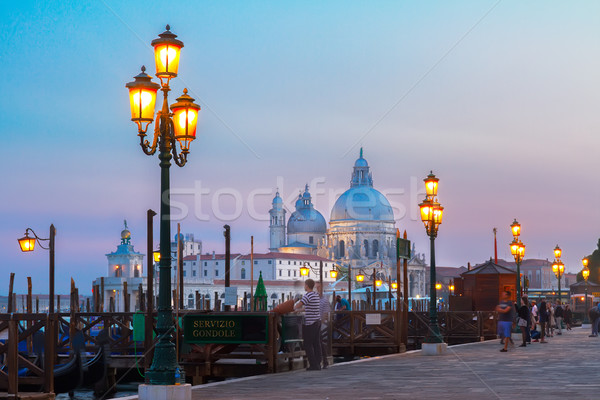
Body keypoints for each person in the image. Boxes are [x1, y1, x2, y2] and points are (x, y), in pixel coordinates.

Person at [295, 279, 322, 370]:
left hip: (310, 323)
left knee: (307, 344)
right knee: (316, 343)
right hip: (317, 321)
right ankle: (318, 363)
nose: (304, 286)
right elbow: (309, 307)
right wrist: (299, 311)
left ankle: (313, 365)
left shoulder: (308, 295)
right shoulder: (316, 295)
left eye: (304, 285)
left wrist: (292, 307)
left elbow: (299, 304)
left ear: (307, 285)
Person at [317, 284, 332, 369]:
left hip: (321, 325)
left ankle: (323, 361)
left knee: (319, 342)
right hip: (316, 323)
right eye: (317, 288)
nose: (317, 289)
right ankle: (323, 361)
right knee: (319, 342)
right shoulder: (316, 299)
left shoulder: (325, 301)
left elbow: (326, 314)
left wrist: (320, 323)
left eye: (319, 288)